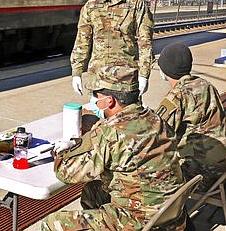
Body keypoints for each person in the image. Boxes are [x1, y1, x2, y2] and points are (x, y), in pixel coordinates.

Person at [41, 88, 186, 231]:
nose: (94, 101)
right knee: (92, 191)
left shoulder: (110, 131)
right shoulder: (154, 118)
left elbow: (67, 173)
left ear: (109, 101)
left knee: (52, 223)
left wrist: (62, 153)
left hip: (140, 220)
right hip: (171, 211)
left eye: (96, 96)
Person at [70, 0, 154, 101]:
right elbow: (82, 42)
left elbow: (145, 43)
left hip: (126, 81)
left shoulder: (137, 5)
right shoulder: (91, 6)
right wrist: (76, 72)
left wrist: (144, 75)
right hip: (98, 79)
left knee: (126, 121)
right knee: (101, 119)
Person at [156, 42, 226, 191]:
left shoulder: (177, 97)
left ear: (166, 70)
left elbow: (154, 134)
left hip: (203, 176)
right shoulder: (206, 85)